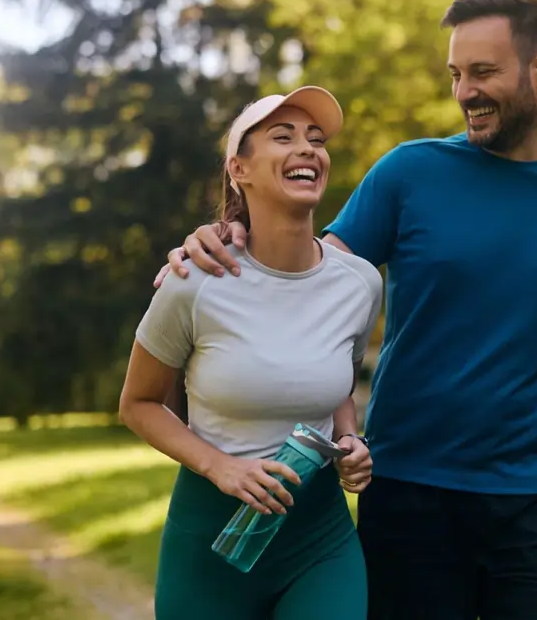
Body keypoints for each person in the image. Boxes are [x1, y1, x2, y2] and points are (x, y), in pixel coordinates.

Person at [154, 0, 537, 620]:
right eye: (456, 74)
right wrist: (230, 231)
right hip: (408, 498)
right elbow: (303, 278)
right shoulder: (408, 174)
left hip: (536, 503)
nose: (465, 92)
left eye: (484, 72)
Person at [120, 85, 383, 620]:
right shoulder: (194, 282)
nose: (307, 148)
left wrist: (350, 440)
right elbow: (139, 404)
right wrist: (222, 468)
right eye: (282, 137)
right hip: (211, 539)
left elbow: (337, 386)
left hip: (319, 538)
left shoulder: (358, 284)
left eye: (316, 138)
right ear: (239, 169)